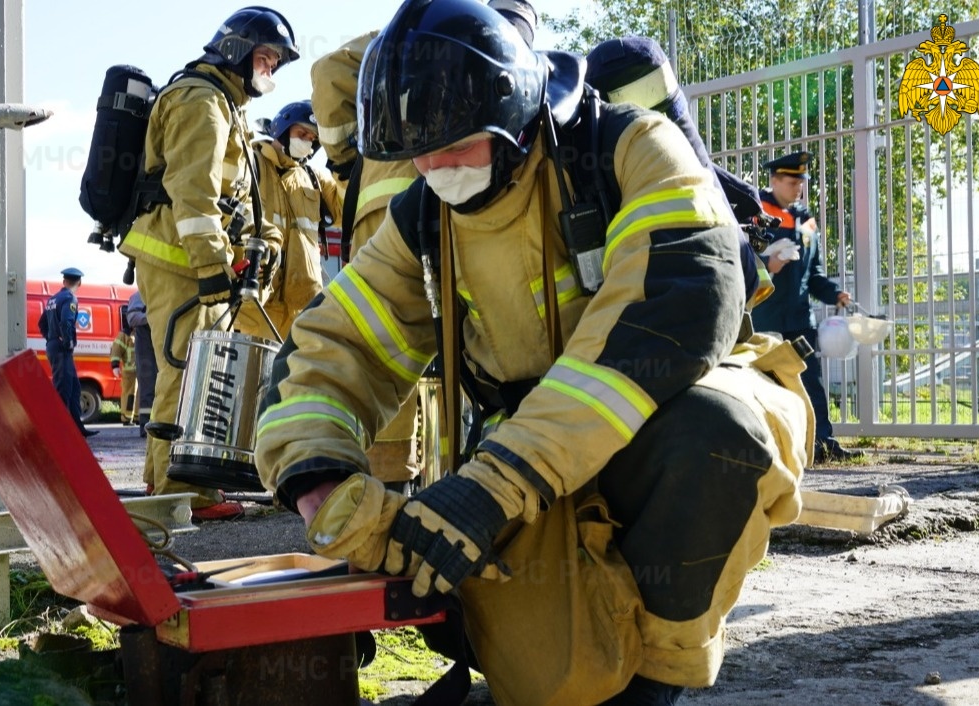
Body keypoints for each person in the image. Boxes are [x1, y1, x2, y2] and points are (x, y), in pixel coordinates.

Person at [255, 1, 808, 703]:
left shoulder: (630, 148)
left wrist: (492, 488)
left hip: (679, 410)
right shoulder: (427, 212)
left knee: (714, 439)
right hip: (538, 453)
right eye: (418, 151)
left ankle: (658, 680)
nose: (433, 166)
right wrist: (319, 483)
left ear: (513, 113)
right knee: (549, 678)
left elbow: (675, 315)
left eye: (453, 144)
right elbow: (334, 345)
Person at [306, 1, 538, 492]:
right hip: (405, 198)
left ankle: (430, 480)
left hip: (424, 194)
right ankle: (392, 484)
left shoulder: (418, 38)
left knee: (439, 343)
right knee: (392, 336)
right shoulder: (414, 32)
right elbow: (327, 70)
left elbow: (331, 73)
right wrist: (351, 153)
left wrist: (349, 158)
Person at [117, 6, 294, 518]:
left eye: (276, 64)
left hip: (189, 259)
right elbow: (193, 195)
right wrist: (214, 265)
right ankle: (179, 496)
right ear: (237, 50)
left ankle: (183, 487)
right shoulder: (201, 101)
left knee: (193, 367)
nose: (270, 71)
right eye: (265, 58)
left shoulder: (223, 102)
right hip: (179, 259)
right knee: (182, 369)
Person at [751, 151, 862, 462]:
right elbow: (740, 258)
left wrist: (835, 294)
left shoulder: (806, 221)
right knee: (766, 382)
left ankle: (821, 443)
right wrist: (766, 263)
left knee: (810, 379)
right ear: (774, 181)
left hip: (800, 317)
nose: (798, 187)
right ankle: (769, 447)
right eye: (791, 181)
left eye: (801, 181)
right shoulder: (756, 214)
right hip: (764, 315)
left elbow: (814, 275)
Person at [235, 100, 343, 340]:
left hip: (306, 307)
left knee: (298, 377)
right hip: (258, 307)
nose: (307, 141)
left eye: (312, 138)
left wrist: (342, 162)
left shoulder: (314, 179)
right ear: (282, 129)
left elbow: (346, 209)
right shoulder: (250, 164)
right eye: (301, 133)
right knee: (256, 377)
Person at [39, 267, 96, 438]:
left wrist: (50, 339)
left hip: (54, 345)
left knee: (74, 389)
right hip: (62, 347)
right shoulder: (70, 298)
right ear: (79, 283)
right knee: (63, 389)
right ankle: (58, 430)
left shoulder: (53, 299)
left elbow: (42, 324)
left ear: (64, 282)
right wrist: (67, 341)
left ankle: (77, 429)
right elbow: (66, 321)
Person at [126, 290, 156, 440]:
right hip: (146, 349)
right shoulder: (138, 296)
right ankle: (146, 427)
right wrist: (152, 318)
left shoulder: (164, 289)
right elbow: (132, 318)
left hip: (161, 347)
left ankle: (160, 425)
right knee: (148, 389)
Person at [110, 320, 138, 426]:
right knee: (130, 395)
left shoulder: (138, 333)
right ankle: (127, 417)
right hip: (129, 371)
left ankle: (137, 416)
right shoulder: (125, 335)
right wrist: (115, 365)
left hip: (139, 371)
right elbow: (116, 349)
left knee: (138, 395)